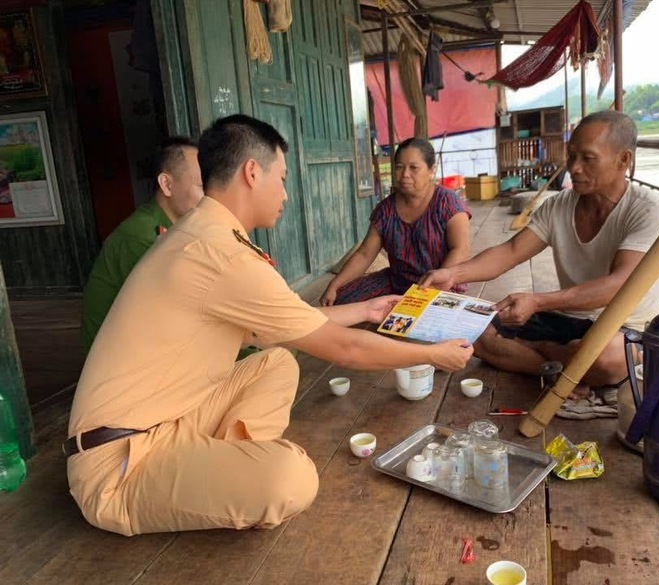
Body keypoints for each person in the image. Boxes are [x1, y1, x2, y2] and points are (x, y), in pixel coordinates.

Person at [65, 114, 472, 536]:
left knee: (276, 363)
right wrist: (433, 353)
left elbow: (278, 327)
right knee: (291, 478)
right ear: (252, 172)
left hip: (173, 419)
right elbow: (345, 349)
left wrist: (366, 311)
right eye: (281, 178)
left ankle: (220, 473)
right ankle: (231, 480)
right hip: (119, 464)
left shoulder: (203, 234)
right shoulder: (220, 254)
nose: (286, 194)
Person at [420, 110, 659, 396]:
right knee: (470, 329)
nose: (574, 168)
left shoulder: (649, 210)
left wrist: (537, 302)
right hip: (569, 321)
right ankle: (559, 368)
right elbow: (510, 251)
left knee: (608, 359)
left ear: (623, 160)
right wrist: (452, 273)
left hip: (625, 328)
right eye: (571, 156)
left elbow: (620, 286)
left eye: (587, 158)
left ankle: (541, 358)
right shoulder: (559, 205)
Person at [80, 136, 202, 352]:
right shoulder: (141, 237)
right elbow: (176, 317)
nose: (211, 197)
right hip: (120, 367)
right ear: (166, 184)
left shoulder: (183, 229)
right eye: (202, 186)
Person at [320, 137, 471, 306]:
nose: (405, 174)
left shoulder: (448, 203)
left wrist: (432, 288)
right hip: (397, 282)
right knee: (340, 300)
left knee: (424, 322)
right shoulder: (386, 210)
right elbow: (364, 254)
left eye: (414, 168)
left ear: (431, 170)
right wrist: (334, 285)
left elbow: (460, 250)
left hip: (441, 285)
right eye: (399, 167)